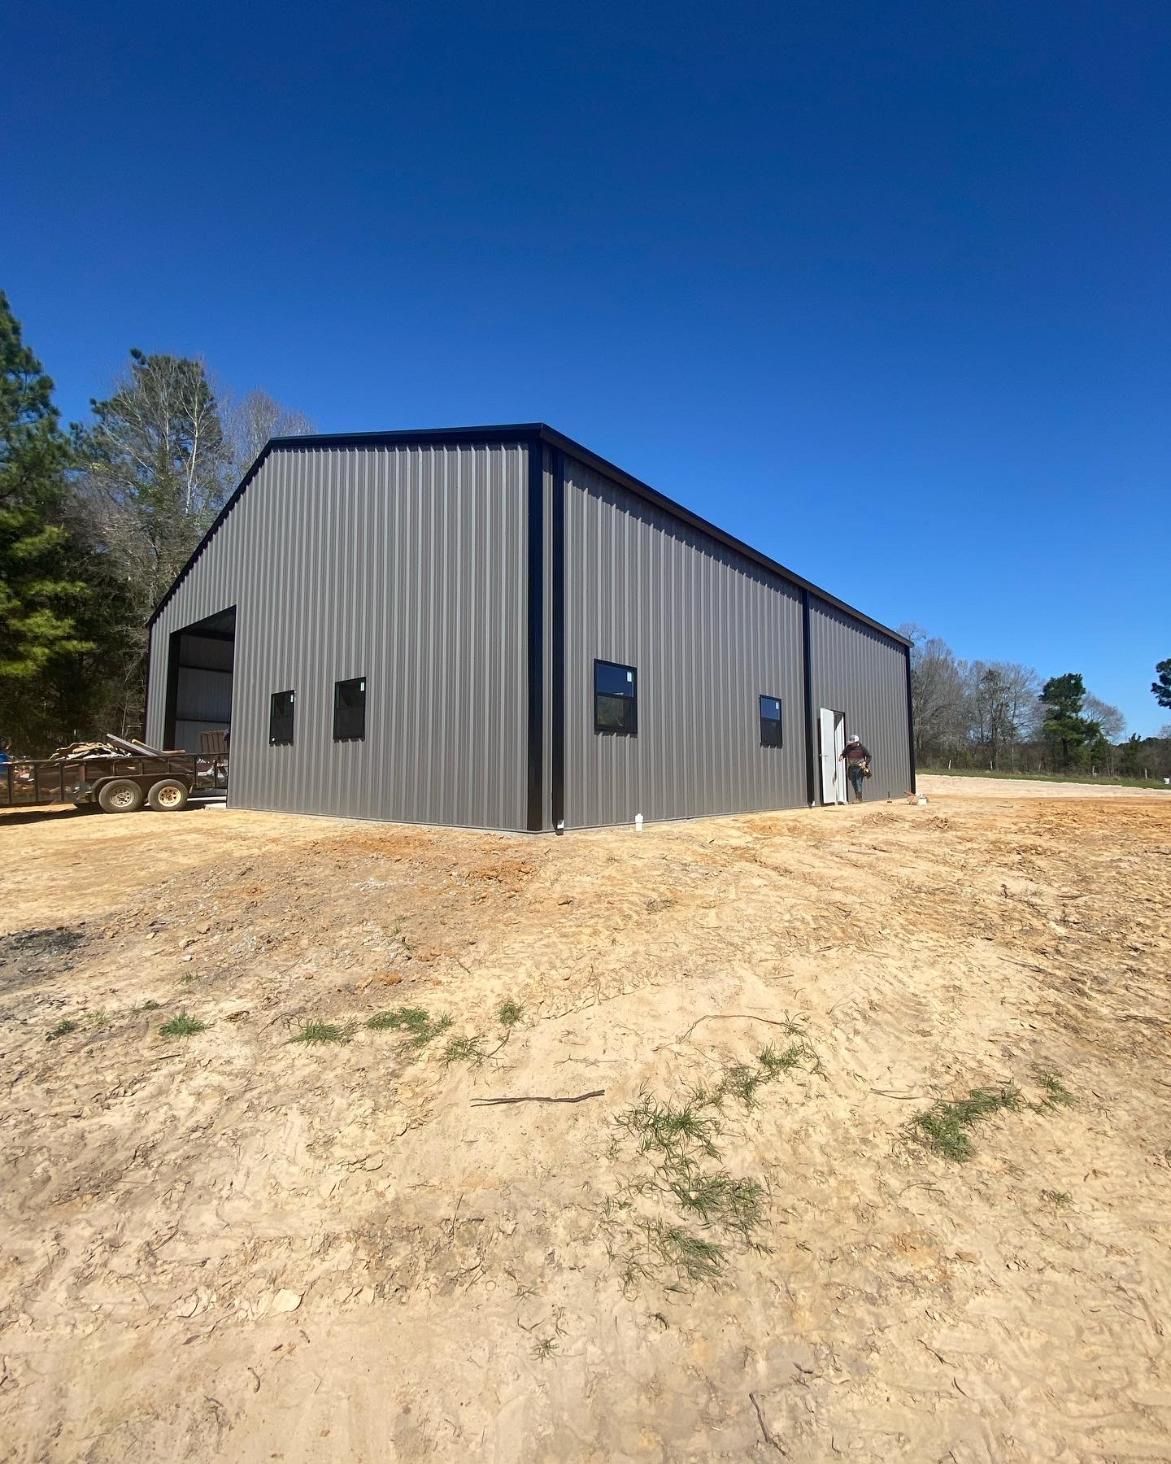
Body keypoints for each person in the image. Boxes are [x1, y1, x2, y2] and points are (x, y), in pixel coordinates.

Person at [839, 734, 872, 802]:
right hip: (851, 767)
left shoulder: (862, 748)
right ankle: (858, 797)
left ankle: (858, 798)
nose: (851, 744)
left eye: (852, 743)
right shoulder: (848, 747)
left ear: (856, 742)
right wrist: (842, 756)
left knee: (858, 781)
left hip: (859, 768)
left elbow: (869, 756)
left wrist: (865, 762)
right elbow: (844, 753)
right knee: (853, 782)